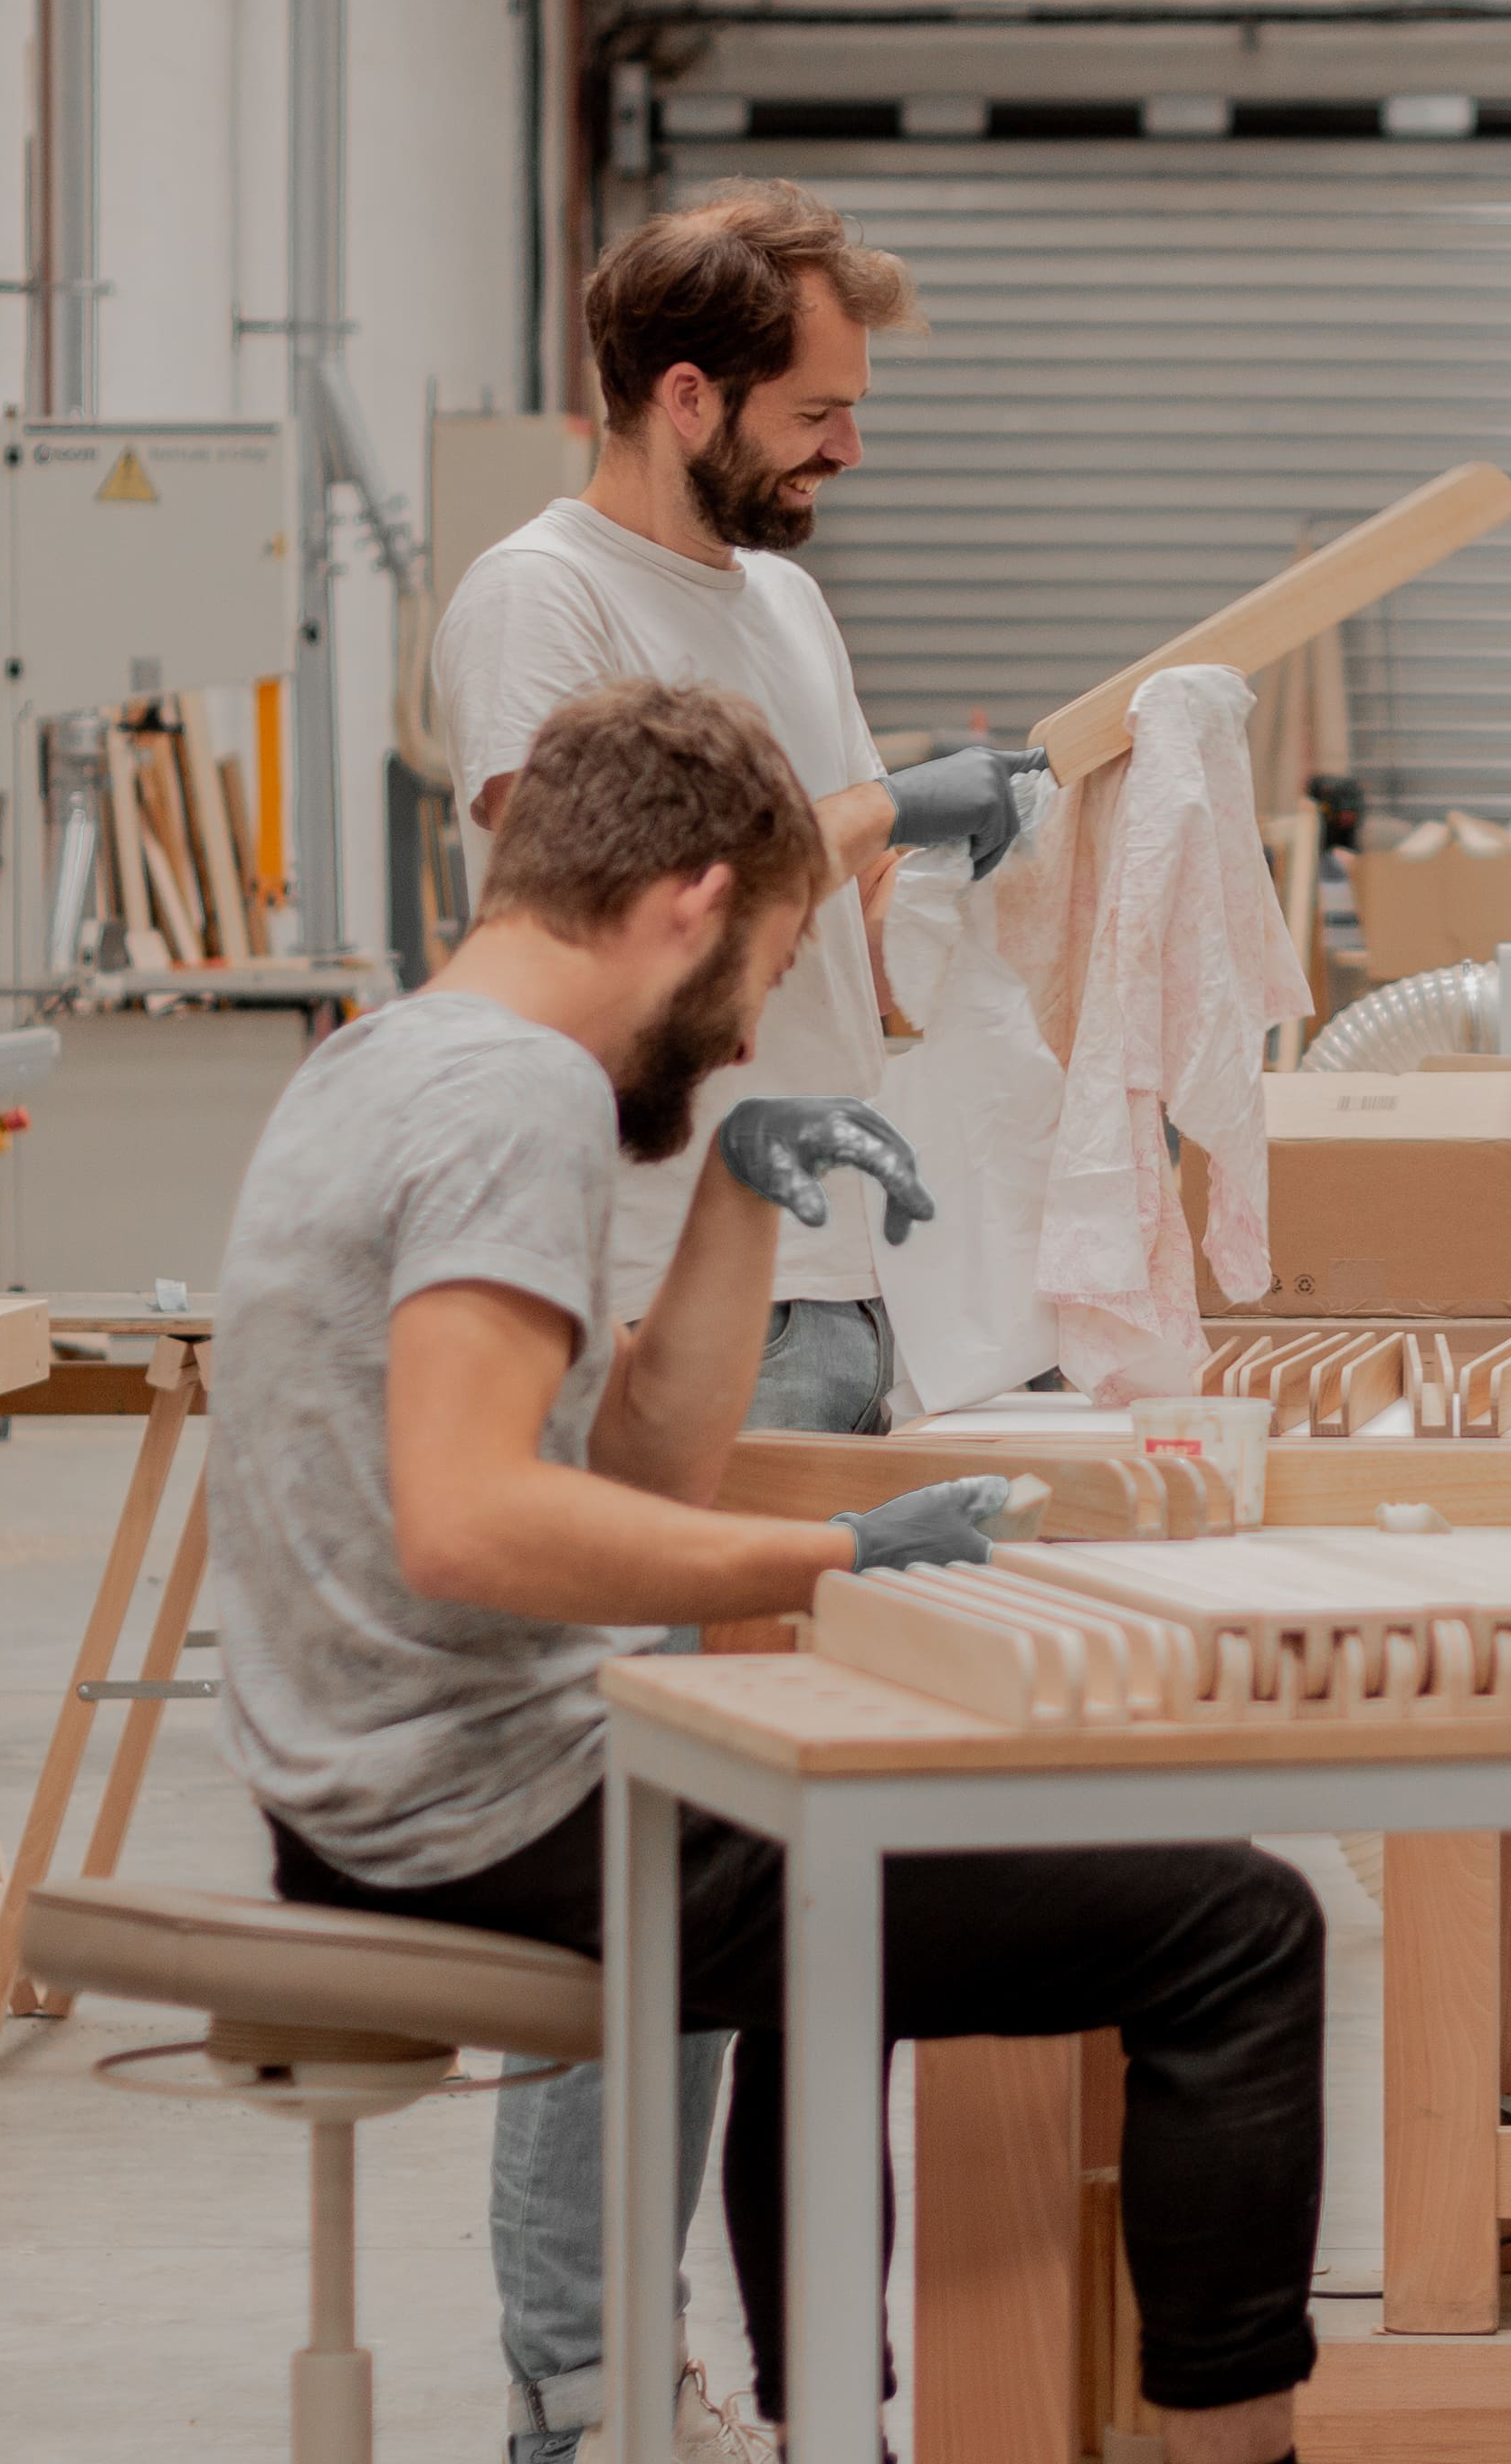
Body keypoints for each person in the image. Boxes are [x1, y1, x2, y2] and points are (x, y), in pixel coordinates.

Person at [209, 678, 1322, 2464]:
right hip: (483, 1827)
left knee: (853, 1857)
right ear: (693, 908)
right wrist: (832, 1552)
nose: (743, 1040)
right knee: (1240, 1926)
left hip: (372, 1790)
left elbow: (636, 1466)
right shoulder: (518, 1103)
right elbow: (470, 1520)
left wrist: (737, 1199)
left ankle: (837, 2435)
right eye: (767, 978)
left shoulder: (385, 1058)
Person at [431, 180, 1048, 2459]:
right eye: (816, 408)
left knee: (809, 1905)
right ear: (683, 394)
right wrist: (883, 812)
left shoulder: (777, 598)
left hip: (835, 1289)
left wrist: (929, 904)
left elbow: (816, 937)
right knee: (643, 1910)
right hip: (656, 1292)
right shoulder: (545, 599)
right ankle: (578, 2404)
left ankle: (819, 2395)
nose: (846, 452)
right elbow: (601, 914)